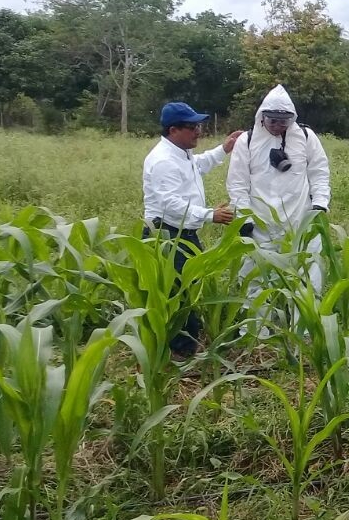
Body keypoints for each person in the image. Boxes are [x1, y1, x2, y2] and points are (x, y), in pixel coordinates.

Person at [141, 102, 243, 355]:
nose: (199, 131)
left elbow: (197, 165)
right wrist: (210, 215)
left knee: (191, 286)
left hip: (183, 234)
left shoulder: (181, 154)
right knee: (178, 294)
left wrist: (223, 149)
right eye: (192, 127)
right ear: (173, 130)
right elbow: (170, 204)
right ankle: (181, 352)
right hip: (166, 236)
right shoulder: (163, 161)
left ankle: (188, 343)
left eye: (199, 125)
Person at [227, 85, 332, 305]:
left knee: (307, 274)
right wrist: (244, 218)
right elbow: (237, 183)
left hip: (299, 219)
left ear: (291, 119)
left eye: (282, 121)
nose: (276, 126)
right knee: (255, 276)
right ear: (261, 117)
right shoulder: (247, 141)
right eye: (272, 120)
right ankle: (258, 332)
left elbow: (319, 171)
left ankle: (302, 330)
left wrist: (320, 204)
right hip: (260, 223)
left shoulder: (305, 136)